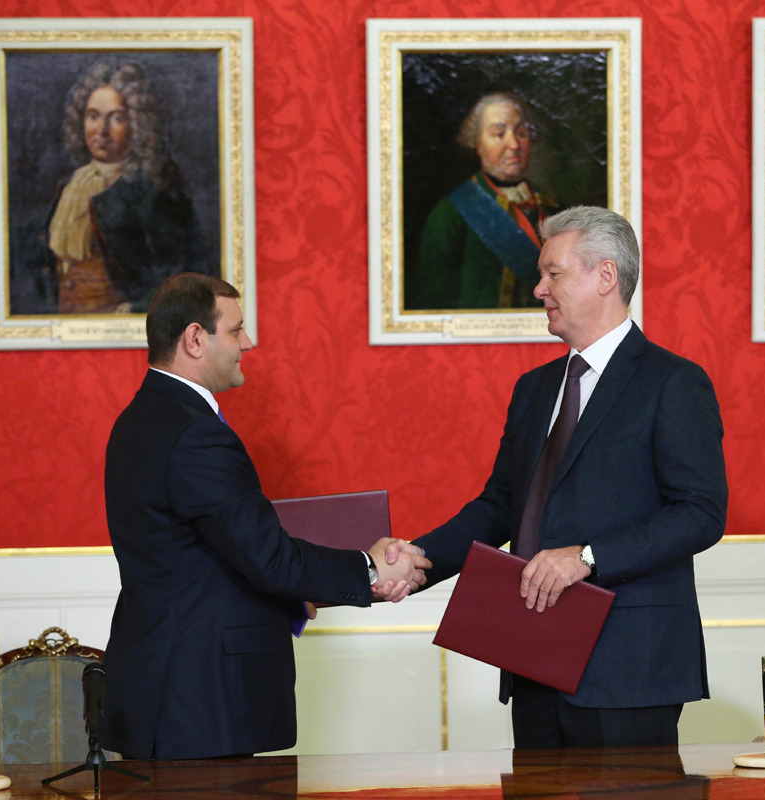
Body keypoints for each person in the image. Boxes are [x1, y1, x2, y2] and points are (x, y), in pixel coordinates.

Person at [388, 207, 728, 748]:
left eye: (553, 273)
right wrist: (415, 560)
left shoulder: (673, 382)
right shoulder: (534, 388)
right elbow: (500, 506)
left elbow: (700, 514)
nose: (538, 289)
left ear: (605, 275)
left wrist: (587, 557)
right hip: (534, 656)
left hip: (629, 669)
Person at [101, 272, 430, 760]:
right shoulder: (195, 434)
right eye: (235, 330)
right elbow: (268, 559)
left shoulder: (141, 418)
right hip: (199, 701)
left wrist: (298, 591)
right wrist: (369, 567)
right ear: (195, 338)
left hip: (168, 688)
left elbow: (208, 558)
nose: (248, 343)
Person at [10, 61, 214, 315]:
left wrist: (137, 309)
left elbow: (187, 275)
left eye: (116, 118)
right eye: (93, 116)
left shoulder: (153, 190)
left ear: (137, 124)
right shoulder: (70, 186)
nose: (102, 130)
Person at [409, 92, 559, 310]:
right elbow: (431, 304)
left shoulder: (554, 207)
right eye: (499, 134)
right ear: (477, 143)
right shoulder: (449, 214)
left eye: (521, 133)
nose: (514, 144)